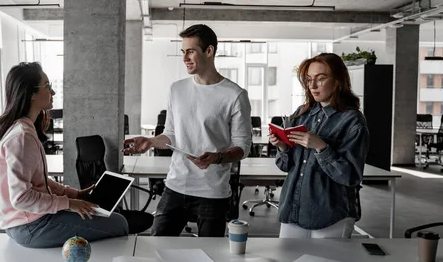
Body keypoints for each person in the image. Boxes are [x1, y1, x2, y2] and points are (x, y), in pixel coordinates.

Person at [125, 24, 252, 237]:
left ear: (209, 51)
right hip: (175, 185)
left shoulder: (235, 95)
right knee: (158, 248)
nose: (185, 58)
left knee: (211, 256)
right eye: (183, 52)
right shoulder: (177, 89)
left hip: (212, 192)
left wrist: (218, 157)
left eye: (191, 51)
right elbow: (172, 134)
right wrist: (150, 141)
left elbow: (242, 147)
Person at [0, 62, 128, 248]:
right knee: (119, 224)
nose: (52, 92)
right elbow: (21, 198)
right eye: (47, 86)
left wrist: (73, 195)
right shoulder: (21, 136)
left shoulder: (18, 129)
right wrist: (68, 203)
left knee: (103, 216)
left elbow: (39, 182)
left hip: (24, 222)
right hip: (30, 225)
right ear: (31, 94)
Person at [270, 53, 370, 239]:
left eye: (321, 79)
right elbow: (286, 166)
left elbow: (351, 176)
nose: (313, 86)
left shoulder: (353, 121)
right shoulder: (302, 113)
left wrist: (321, 148)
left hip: (330, 214)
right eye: (309, 80)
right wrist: (283, 147)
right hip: (293, 209)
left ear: (338, 80)